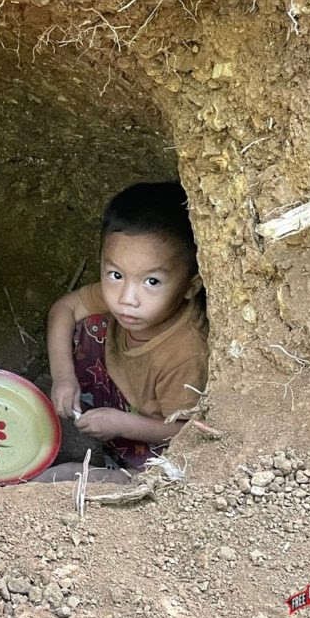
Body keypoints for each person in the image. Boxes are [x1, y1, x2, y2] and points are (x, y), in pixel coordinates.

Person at [35, 182, 207, 483]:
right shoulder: (129, 301)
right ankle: (85, 416)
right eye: (116, 275)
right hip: (116, 397)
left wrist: (123, 425)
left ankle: (112, 471)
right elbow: (64, 309)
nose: (127, 297)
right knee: (90, 324)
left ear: (190, 286)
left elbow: (188, 430)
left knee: (149, 478)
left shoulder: (186, 353)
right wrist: (63, 376)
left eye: (151, 282)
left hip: (150, 436)